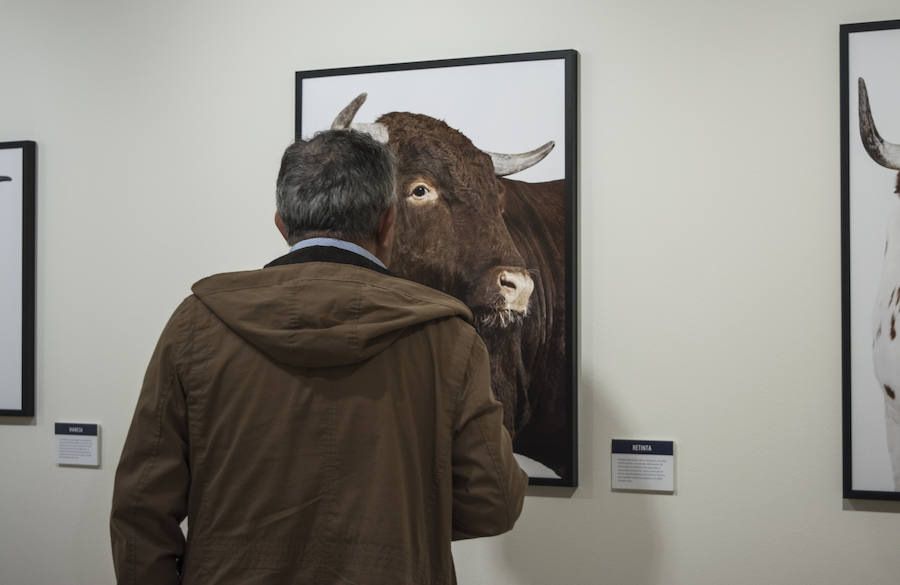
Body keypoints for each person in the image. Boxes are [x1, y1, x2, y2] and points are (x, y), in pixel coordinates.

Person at [110, 129, 527, 585]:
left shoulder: (197, 324)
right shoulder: (446, 338)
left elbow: (141, 507)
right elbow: (493, 503)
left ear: (282, 225)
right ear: (388, 224)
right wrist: (400, 526)